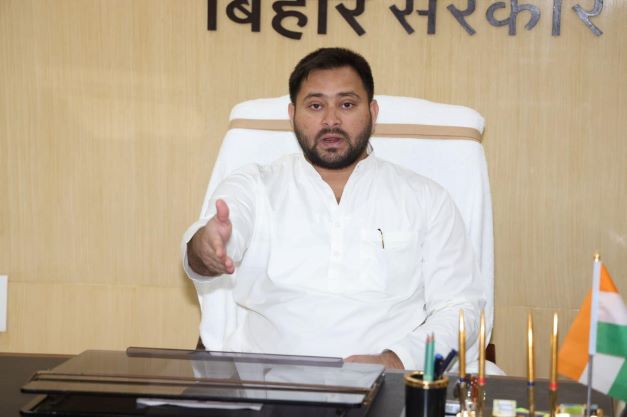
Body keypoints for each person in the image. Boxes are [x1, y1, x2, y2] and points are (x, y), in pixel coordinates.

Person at [182, 47, 485, 370]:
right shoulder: (254, 185)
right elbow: (212, 243)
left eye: (347, 104)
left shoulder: (426, 198)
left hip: (386, 385)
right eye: (315, 106)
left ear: (373, 112)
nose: (331, 120)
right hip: (265, 383)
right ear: (292, 114)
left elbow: (460, 306)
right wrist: (206, 249)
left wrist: (396, 360)